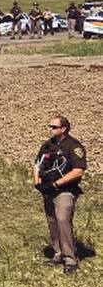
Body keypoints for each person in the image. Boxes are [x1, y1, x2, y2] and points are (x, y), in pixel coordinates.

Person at [34, 116, 87, 274]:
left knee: (63, 221)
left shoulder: (73, 146)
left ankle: (70, 259)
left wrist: (57, 184)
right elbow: (37, 163)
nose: (50, 129)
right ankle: (58, 253)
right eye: (50, 126)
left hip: (64, 190)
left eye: (54, 127)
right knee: (52, 222)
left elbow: (78, 171)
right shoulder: (47, 145)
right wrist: (37, 182)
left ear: (64, 128)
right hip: (48, 190)